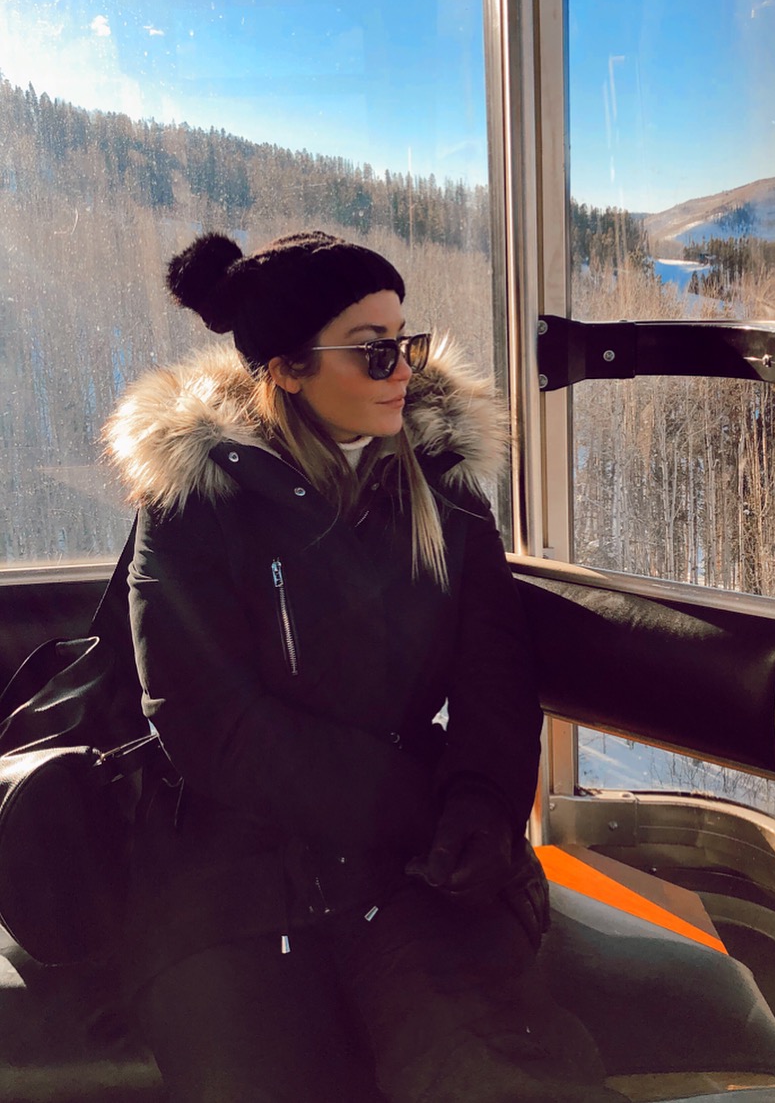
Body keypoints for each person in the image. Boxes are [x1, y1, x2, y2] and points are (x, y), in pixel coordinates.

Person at [104, 230, 626, 1102]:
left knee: (486, 1065)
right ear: (289, 369)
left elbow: (494, 667)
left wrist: (482, 803)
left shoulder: (442, 485)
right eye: (374, 349)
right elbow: (206, 719)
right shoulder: (195, 500)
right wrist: (416, 806)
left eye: (405, 341)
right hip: (232, 875)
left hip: (409, 869)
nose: (403, 371)